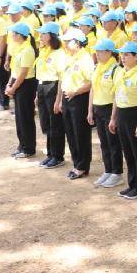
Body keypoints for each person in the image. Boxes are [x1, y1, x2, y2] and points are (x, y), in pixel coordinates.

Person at [110, 41, 137, 199]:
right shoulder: (120, 72)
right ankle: (132, 184)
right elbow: (116, 96)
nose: (123, 57)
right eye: (122, 54)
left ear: (136, 56)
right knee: (127, 151)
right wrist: (113, 118)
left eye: (126, 55)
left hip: (134, 114)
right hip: (122, 113)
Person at [58, 28, 95, 180]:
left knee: (81, 133)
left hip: (79, 98)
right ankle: (76, 163)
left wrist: (76, 92)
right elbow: (63, 79)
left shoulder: (85, 59)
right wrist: (61, 99)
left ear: (77, 43)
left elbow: (91, 82)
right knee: (70, 132)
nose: (66, 44)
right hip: (67, 97)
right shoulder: (69, 57)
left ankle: (82, 166)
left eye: (68, 41)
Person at [88, 39, 124, 188]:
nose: (97, 54)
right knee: (104, 143)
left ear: (109, 52)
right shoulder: (97, 67)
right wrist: (90, 110)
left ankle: (117, 173)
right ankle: (108, 170)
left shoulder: (116, 69)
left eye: (101, 51)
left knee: (113, 142)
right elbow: (93, 89)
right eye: (96, 51)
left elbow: (116, 95)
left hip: (110, 108)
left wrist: (114, 117)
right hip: (98, 108)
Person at [35, 22, 66, 169]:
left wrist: (58, 100)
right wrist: (37, 93)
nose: (40, 36)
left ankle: (57, 156)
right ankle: (50, 154)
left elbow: (61, 78)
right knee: (46, 123)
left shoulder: (59, 53)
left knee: (56, 124)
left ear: (52, 36)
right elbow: (41, 73)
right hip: (42, 86)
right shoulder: (44, 50)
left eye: (43, 34)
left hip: (53, 87)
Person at [5, 23, 38, 158]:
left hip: (25, 85)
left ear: (21, 35)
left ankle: (28, 148)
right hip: (17, 82)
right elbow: (15, 70)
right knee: (19, 117)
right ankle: (22, 144)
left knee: (25, 117)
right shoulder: (18, 47)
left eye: (15, 33)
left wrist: (13, 87)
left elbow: (24, 72)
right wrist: (9, 84)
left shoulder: (27, 50)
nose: (12, 35)